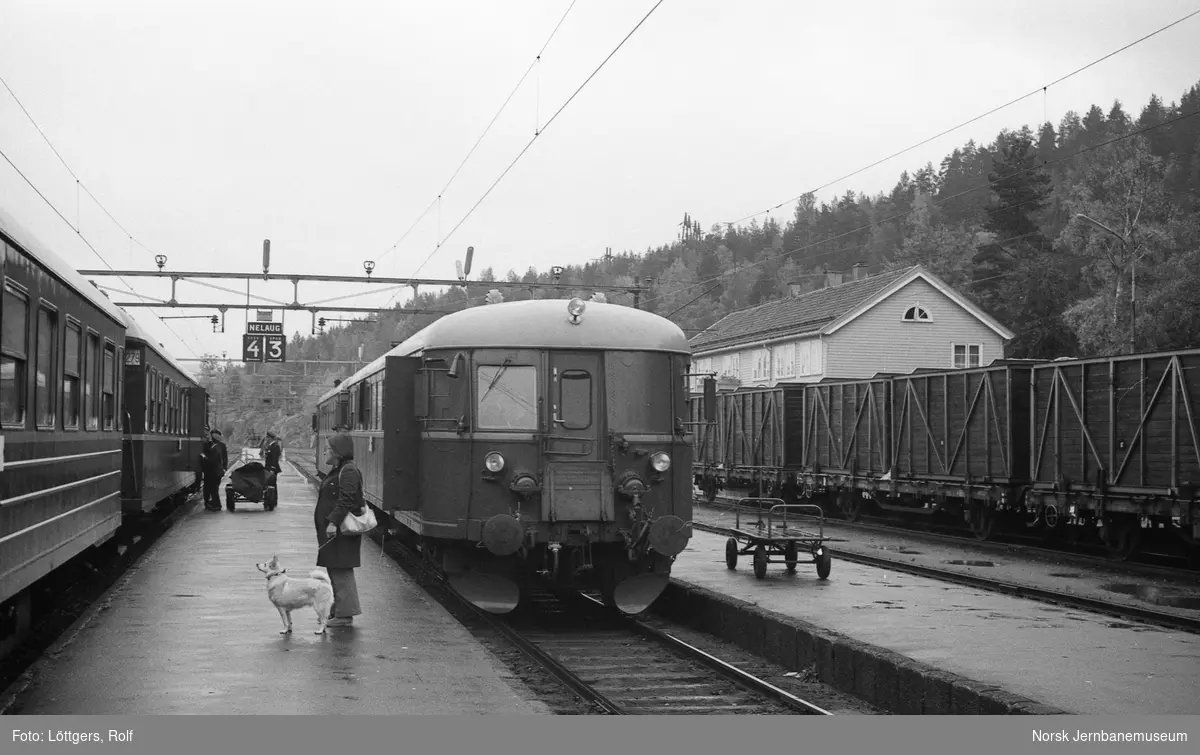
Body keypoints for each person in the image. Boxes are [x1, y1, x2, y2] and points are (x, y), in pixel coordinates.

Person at [315, 433, 363, 627]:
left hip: (339, 531)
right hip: (333, 532)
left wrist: (333, 522)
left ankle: (345, 615)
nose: (325, 451)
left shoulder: (348, 471)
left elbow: (348, 498)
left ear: (337, 452)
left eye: (327, 448)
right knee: (335, 569)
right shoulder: (339, 469)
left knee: (341, 569)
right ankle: (339, 612)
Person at [199, 429, 228, 511]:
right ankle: (211, 503)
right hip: (213, 470)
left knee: (212, 488)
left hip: (214, 470)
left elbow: (218, 459)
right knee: (212, 488)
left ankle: (214, 504)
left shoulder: (214, 446)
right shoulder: (212, 445)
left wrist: (204, 457)